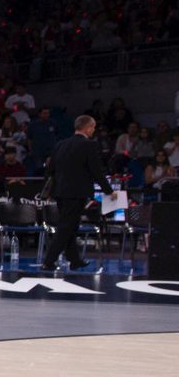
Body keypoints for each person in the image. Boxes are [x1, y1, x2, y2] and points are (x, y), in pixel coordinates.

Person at [43, 114, 114, 271]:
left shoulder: (60, 144)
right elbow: (96, 171)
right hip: (76, 193)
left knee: (70, 226)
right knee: (65, 227)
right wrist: (109, 191)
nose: (93, 130)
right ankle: (49, 261)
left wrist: (50, 190)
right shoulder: (89, 145)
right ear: (87, 127)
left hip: (60, 192)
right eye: (93, 127)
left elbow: (50, 170)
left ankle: (74, 260)